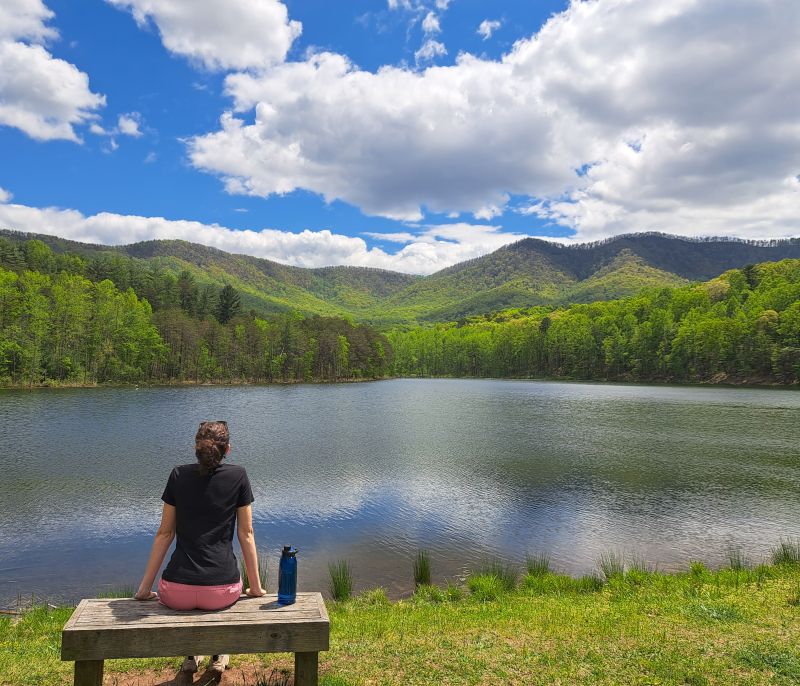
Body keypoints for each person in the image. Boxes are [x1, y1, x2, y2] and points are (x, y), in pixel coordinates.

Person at [134, 420, 266, 676]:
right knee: (212, 603)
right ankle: (218, 654)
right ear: (228, 449)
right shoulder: (238, 476)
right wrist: (256, 587)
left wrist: (143, 589)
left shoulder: (177, 475)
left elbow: (164, 533)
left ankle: (192, 656)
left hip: (176, 591)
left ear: (196, 447)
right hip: (222, 590)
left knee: (191, 603)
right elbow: (246, 533)